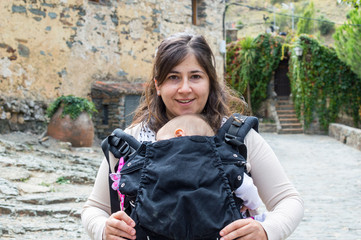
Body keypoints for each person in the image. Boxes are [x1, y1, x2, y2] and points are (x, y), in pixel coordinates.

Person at [82, 32, 304, 240]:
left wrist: (266, 230)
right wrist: (104, 229)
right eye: (173, 77)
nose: (185, 88)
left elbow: (288, 200)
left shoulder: (239, 138)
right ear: (158, 85)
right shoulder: (128, 144)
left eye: (195, 76)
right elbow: (95, 208)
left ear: (210, 81)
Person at [156, 113, 263, 213]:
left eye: (159, 143)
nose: (156, 147)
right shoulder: (222, 162)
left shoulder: (161, 168)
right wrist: (253, 204)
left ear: (179, 135)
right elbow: (247, 187)